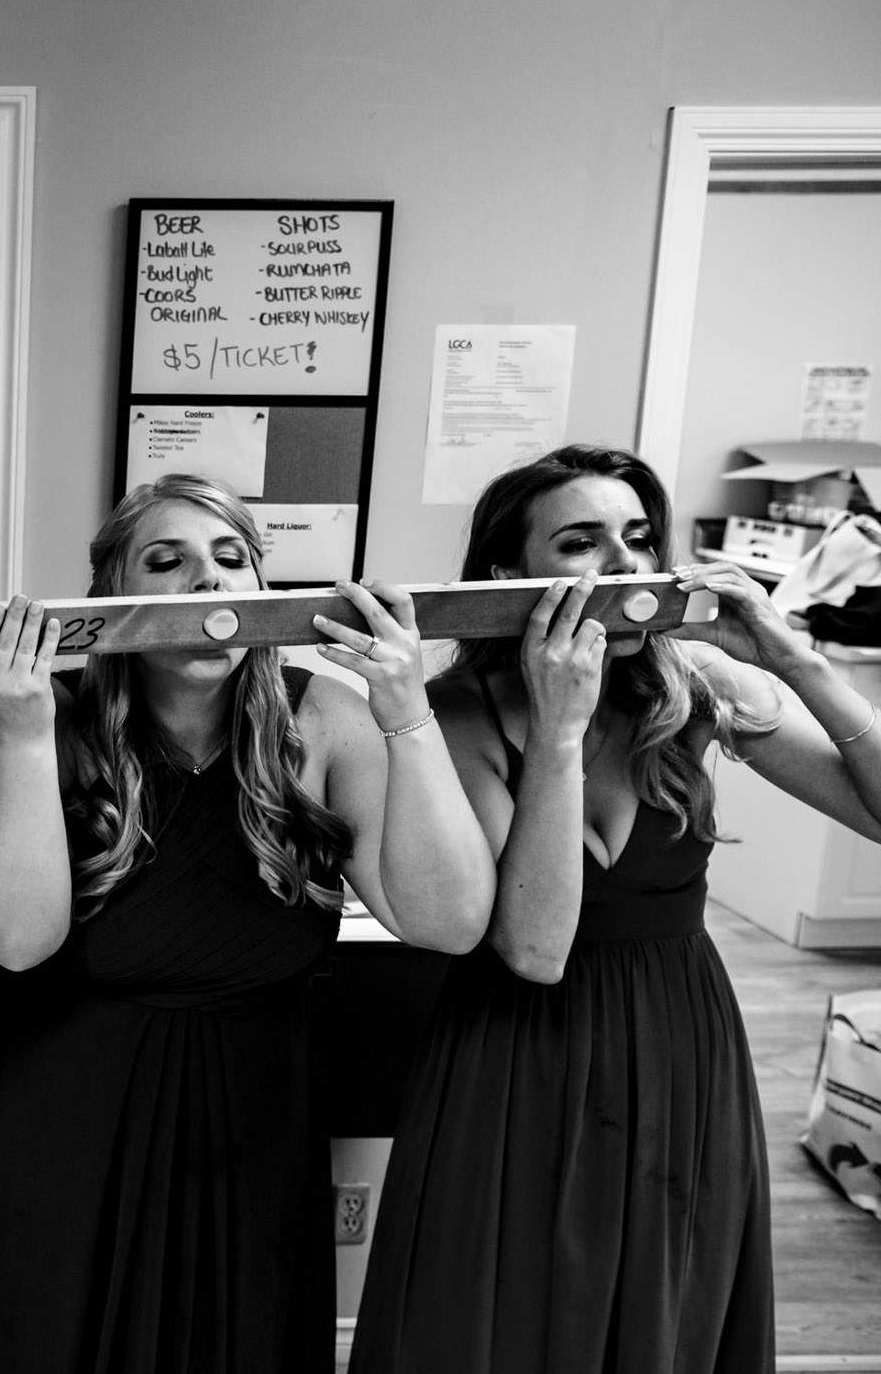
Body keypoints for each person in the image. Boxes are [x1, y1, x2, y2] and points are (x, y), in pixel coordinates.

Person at [0, 474, 497, 1374]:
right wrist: (22, 736)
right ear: (113, 597)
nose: (209, 582)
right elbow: (18, 939)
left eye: (232, 559)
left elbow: (449, 922)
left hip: (253, 1117)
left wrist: (409, 713)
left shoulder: (321, 718)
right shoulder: (50, 718)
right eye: (169, 562)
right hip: (51, 1112)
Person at [351, 445, 881, 1374]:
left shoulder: (696, 690)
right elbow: (536, 948)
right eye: (582, 542)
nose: (626, 566)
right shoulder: (458, 713)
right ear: (510, 576)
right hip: (514, 1053)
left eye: (638, 538)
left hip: (678, 1043)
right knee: (498, 1309)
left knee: (663, 1306)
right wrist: (557, 730)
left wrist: (794, 660)